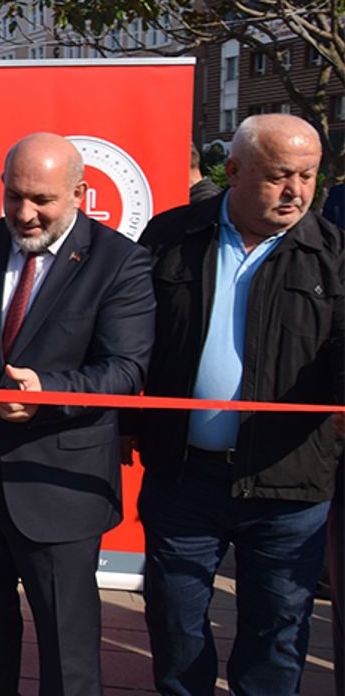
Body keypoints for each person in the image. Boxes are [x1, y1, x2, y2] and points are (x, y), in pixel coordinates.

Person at [0, 132, 155, 695]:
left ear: (79, 193)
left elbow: (125, 370)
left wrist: (48, 391)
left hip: (59, 487)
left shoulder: (119, 262)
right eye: (14, 196)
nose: (24, 214)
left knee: (68, 655)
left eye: (42, 200)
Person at [134, 113, 344, 696]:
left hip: (289, 485)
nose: (296, 190)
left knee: (277, 632)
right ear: (233, 170)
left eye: (308, 175)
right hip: (184, 477)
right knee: (175, 622)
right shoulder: (172, 236)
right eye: (279, 175)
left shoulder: (332, 253)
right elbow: (130, 337)